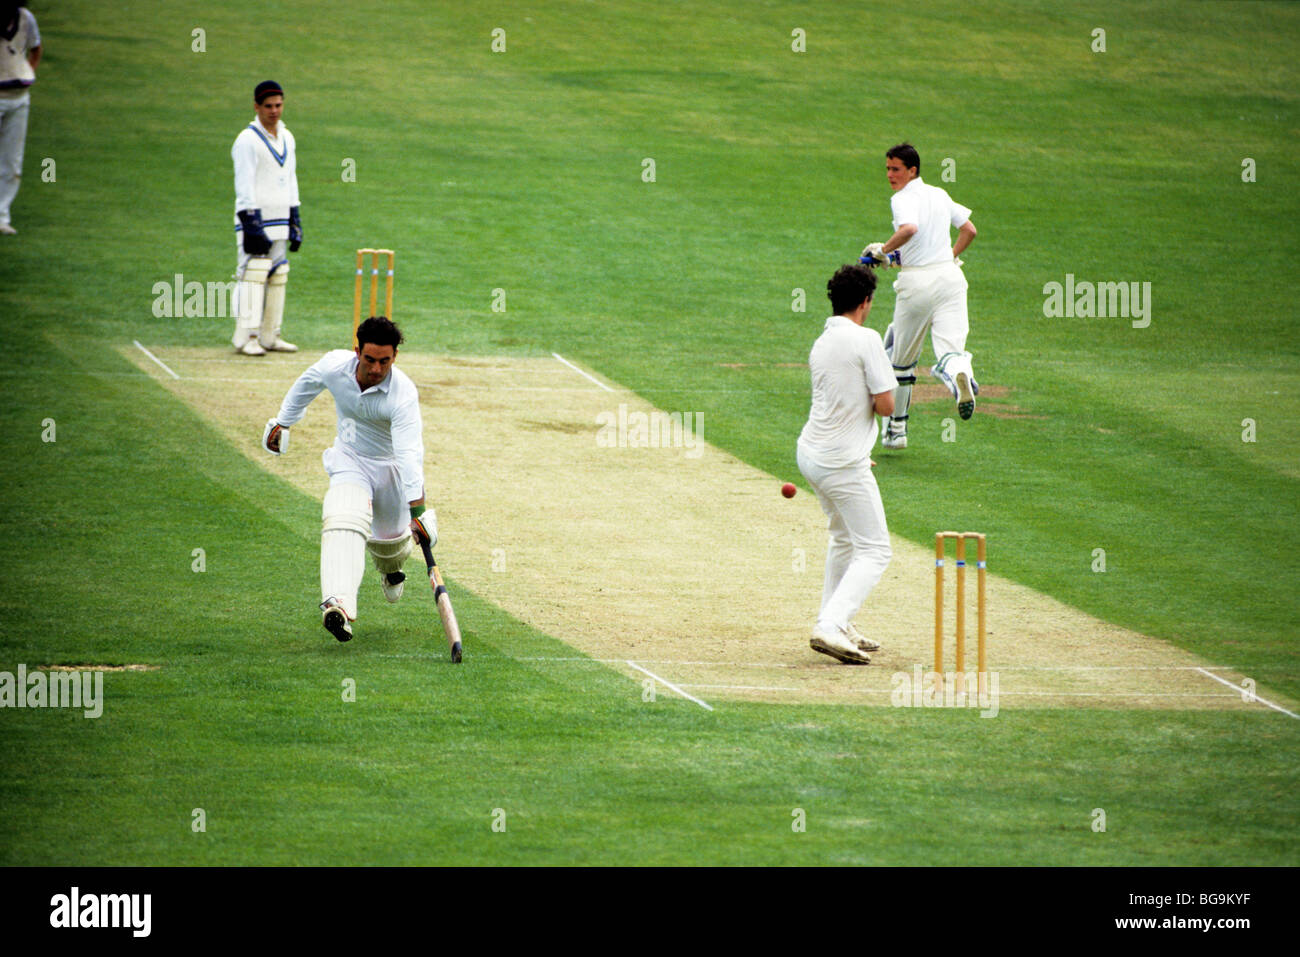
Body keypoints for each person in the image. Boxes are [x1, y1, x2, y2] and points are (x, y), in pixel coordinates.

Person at [262, 317, 434, 642]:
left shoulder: (403, 395)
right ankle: (338, 603)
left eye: (385, 361)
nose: (376, 369)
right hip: (350, 459)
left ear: (395, 356)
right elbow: (306, 385)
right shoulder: (334, 366)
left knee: (391, 548)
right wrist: (282, 422)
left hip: (391, 469)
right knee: (342, 516)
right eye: (370, 360)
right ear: (357, 351)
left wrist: (418, 514)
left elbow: (410, 455)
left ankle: (391, 568)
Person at [797, 264, 896, 665]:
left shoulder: (822, 342)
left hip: (812, 454)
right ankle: (830, 624)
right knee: (875, 550)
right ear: (865, 303)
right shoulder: (866, 339)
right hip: (840, 462)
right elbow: (886, 405)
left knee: (843, 537)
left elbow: (843, 401)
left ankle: (836, 619)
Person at [861, 142, 978, 450]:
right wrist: (948, 256)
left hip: (917, 284)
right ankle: (960, 377)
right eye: (887, 168)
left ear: (912, 171)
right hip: (951, 278)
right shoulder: (939, 194)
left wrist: (881, 250)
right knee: (951, 350)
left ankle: (896, 432)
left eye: (896, 169)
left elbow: (910, 229)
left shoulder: (902, 198)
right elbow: (969, 230)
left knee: (901, 361)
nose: (890, 174)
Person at [231, 80, 302, 355]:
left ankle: (270, 335)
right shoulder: (247, 140)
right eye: (269, 106)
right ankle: (246, 337)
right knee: (253, 274)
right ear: (256, 107)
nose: (274, 111)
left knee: (278, 274)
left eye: (279, 105)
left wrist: (295, 216)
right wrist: (250, 222)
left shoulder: (288, 137)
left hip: (281, 216)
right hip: (255, 218)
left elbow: (291, 178)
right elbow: (244, 182)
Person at [0, 2, 40, 235]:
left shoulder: (25, 18)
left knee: (12, 161)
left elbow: (36, 48)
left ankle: (2, 215)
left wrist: (27, 73)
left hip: (19, 97)